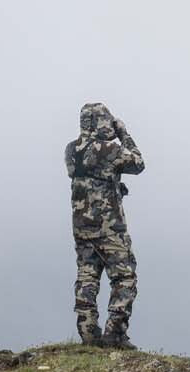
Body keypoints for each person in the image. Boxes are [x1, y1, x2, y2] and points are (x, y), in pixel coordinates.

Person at [65, 102, 145, 349]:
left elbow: (91, 177)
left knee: (87, 277)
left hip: (81, 227)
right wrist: (123, 133)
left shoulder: (71, 150)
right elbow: (138, 163)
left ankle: (88, 334)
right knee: (124, 277)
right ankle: (115, 334)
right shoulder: (107, 149)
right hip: (109, 228)